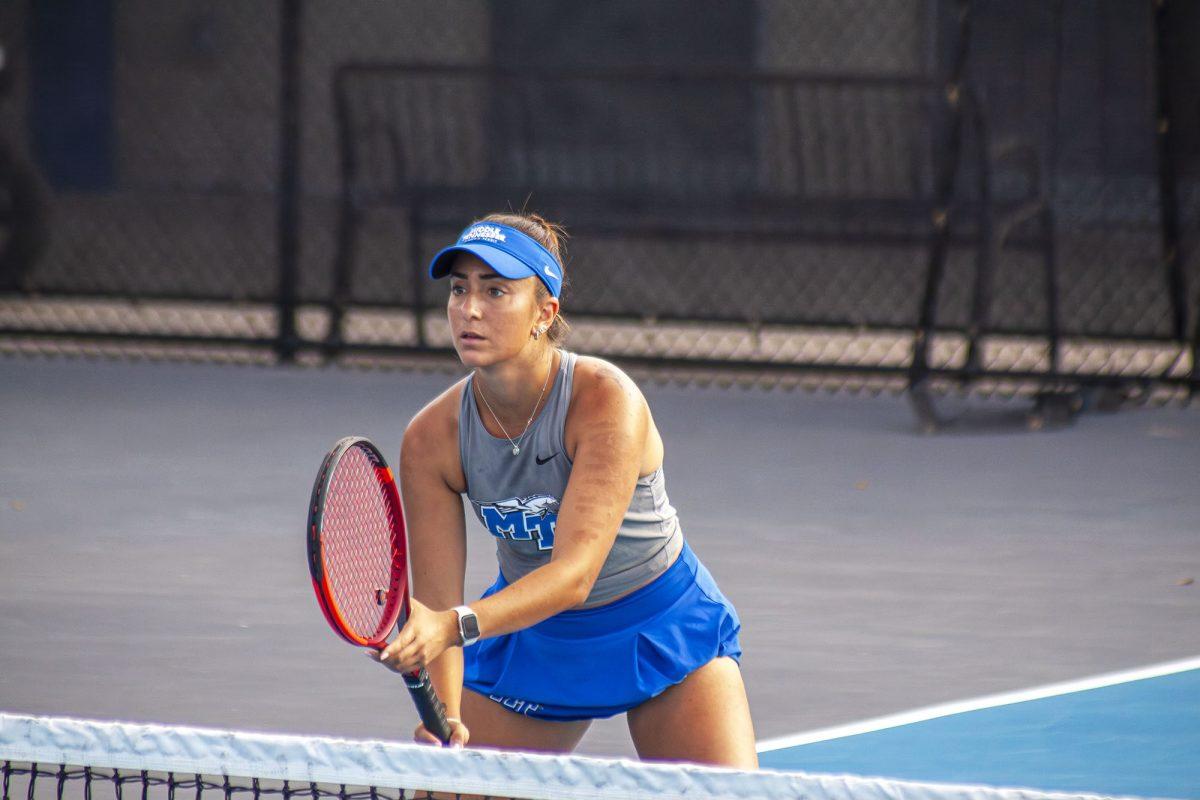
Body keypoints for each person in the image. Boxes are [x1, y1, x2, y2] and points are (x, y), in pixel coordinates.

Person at [369, 211, 757, 767]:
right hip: (533, 639)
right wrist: (448, 711)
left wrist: (451, 626)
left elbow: (574, 576)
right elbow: (437, 602)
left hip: (657, 626)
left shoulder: (605, 401)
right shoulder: (432, 438)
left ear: (543, 313)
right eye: (459, 290)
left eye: (496, 290)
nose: (469, 309)